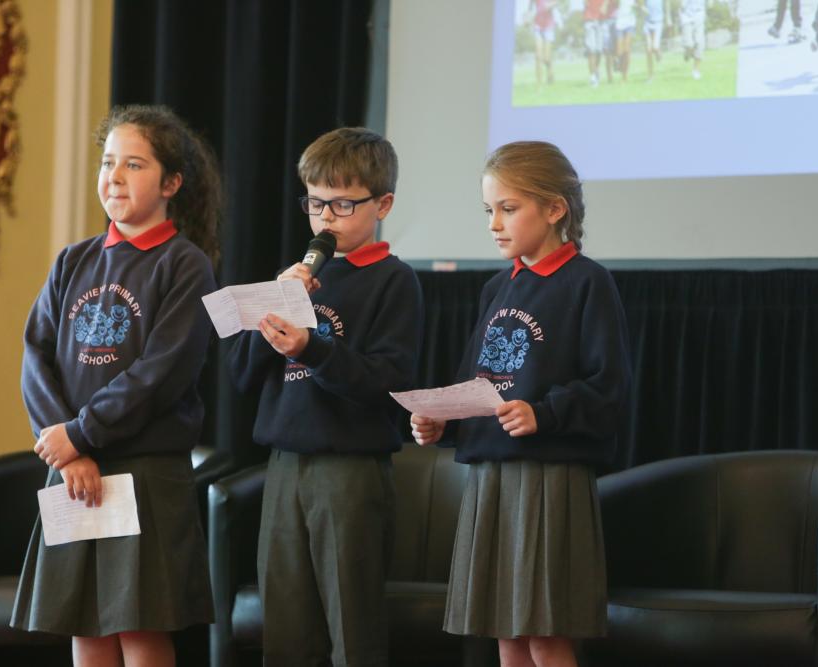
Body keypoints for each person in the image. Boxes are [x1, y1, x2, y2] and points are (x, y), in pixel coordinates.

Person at [10, 104, 220, 667]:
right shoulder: (72, 260)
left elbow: (161, 372)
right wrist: (66, 446)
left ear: (171, 183)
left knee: (138, 625)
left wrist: (82, 434)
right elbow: (35, 356)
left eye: (134, 164)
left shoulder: (185, 265)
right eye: (108, 163)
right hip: (74, 466)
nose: (115, 176)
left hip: (143, 470)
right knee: (85, 622)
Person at [411, 141, 631, 667]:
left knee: (545, 636)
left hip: (547, 478)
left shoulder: (587, 282)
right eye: (489, 210)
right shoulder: (497, 287)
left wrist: (543, 413)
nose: (494, 224)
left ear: (555, 209)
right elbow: (479, 380)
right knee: (505, 632)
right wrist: (444, 420)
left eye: (508, 209)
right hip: (492, 476)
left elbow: (609, 387)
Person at [228, 127, 424, 666]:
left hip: (349, 471)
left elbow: (387, 382)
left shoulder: (393, 281)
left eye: (342, 204)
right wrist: (275, 304)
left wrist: (312, 348)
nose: (325, 219)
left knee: (351, 629)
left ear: (382, 204)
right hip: (285, 464)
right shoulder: (298, 280)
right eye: (315, 203)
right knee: (286, 632)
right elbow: (242, 376)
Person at [527, 0, 561, 85]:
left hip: (549, 26)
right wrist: (527, 18)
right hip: (537, 26)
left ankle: (550, 72)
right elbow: (530, 7)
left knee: (546, 58)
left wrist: (551, 4)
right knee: (538, 56)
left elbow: (557, 2)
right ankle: (539, 83)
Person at [680, 0, 707, 80]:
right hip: (686, 16)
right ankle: (687, 52)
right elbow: (681, 5)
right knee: (689, 44)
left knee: (699, 43)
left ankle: (696, 70)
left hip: (699, 14)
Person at [641, 0, 664, 81]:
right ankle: (650, 75)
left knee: (655, 47)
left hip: (658, 23)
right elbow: (640, 5)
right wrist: (642, 8)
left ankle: (658, 53)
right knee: (648, 50)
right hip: (647, 23)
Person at [615, 0, 638, 81]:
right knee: (619, 52)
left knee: (627, 50)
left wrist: (636, 6)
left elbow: (639, 4)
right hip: (620, 22)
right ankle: (619, 64)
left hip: (630, 23)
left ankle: (624, 76)